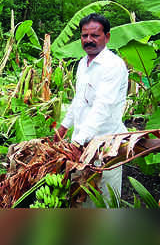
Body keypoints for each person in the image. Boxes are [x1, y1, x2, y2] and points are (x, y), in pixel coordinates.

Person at [54, 13, 128, 205]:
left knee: (106, 195)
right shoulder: (83, 64)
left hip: (106, 144)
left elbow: (102, 107)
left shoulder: (113, 65)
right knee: (81, 193)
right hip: (82, 141)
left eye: (95, 35)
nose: (88, 40)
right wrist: (64, 126)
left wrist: (77, 142)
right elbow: (79, 100)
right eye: (84, 35)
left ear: (107, 37)